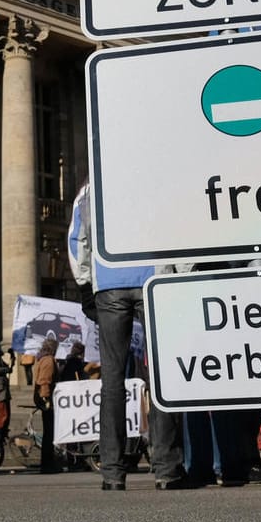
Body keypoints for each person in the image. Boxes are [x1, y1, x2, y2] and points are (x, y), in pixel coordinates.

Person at [68, 182, 188, 491]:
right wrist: (183, 272)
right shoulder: (150, 172)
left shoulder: (89, 189)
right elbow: (178, 226)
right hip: (153, 277)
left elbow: (77, 238)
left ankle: (112, 473)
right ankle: (167, 470)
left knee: (112, 379)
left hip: (109, 282)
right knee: (159, 377)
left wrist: (84, 282)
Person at [33, 337, 59, 473]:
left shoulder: (42, 359)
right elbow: (45, 380)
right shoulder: (48, 360)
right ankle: (48, 464)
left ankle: (48, 463)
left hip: (42, 398)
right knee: (49, 433)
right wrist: (46, 398)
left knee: (48, 432)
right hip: (46, 399)